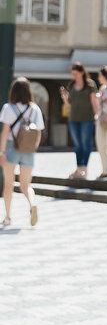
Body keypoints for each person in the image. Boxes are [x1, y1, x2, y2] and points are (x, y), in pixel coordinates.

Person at [0, 77, 45, 227]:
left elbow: (5, 132)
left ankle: (7, 217)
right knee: (26, 185)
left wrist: (1, 152)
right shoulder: (35, 109)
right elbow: (38, 132)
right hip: (29, 149)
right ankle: (32, 203)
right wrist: (33, 148)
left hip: (12, 147)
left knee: (8, 184)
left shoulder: (8, 108)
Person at [60, 62, 98, 179]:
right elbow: (69, 104)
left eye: (76, 73)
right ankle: (79, 168)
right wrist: (65, 98)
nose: (74, 76)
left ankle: (84, 168)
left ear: (82, 72)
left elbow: (94, 102)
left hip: (87, 118)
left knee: (85, 144)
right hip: (73, 118)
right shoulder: (71, 85)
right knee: (77, 145)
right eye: (72, 74)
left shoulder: (90, 84)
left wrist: (97, 115)